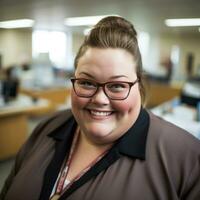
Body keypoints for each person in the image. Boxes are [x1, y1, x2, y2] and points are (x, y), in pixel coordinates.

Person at [1, 16, 200, 200]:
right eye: (87, 83)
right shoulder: (45, 130)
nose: (100, 99)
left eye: (117, 86)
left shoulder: (186, 159)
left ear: (138, 86)